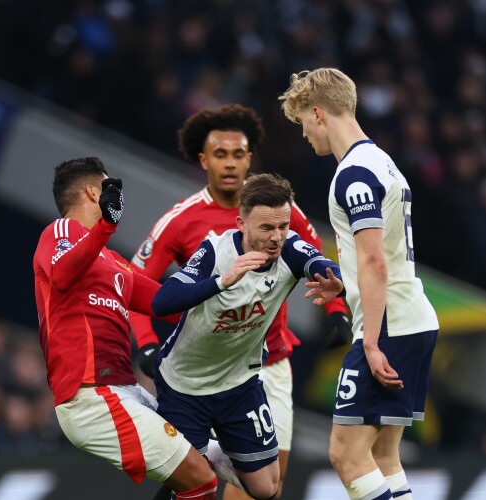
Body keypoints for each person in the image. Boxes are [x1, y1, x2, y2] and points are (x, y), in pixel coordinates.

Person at [130, 103, 351, 499]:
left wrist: (336, 309)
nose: (230, 163)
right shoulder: (181, 222)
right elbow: (140, 287)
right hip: (198, 368)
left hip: (267, 361)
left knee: (267, 486)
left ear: (250, 158)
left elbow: (315, 259)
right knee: (193, 478)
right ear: (204, 160)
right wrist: (146, 342)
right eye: (220, 154)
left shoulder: (280, 211)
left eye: (238, 154)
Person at [279, 68, 439, 500]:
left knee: (346, 456)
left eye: (303, 123)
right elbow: (379, 255)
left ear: (318, 113)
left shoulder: (353, 175)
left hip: (389, 327)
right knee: (383, 458)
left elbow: (374, 261)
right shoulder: (382, 162)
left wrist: (370, 341)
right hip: (413, 319)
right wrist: (347, 285)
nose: (304, 135)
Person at [33, 157, 217, 500]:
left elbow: (166, 303)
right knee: (201, 479)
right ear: (93, 192)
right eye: (108, 186)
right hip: (89, 395)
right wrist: (106, 226)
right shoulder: (59, 232)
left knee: (222, 458)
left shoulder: (113, 260)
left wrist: (221, 284)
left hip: (126, 391)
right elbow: (61, 273)